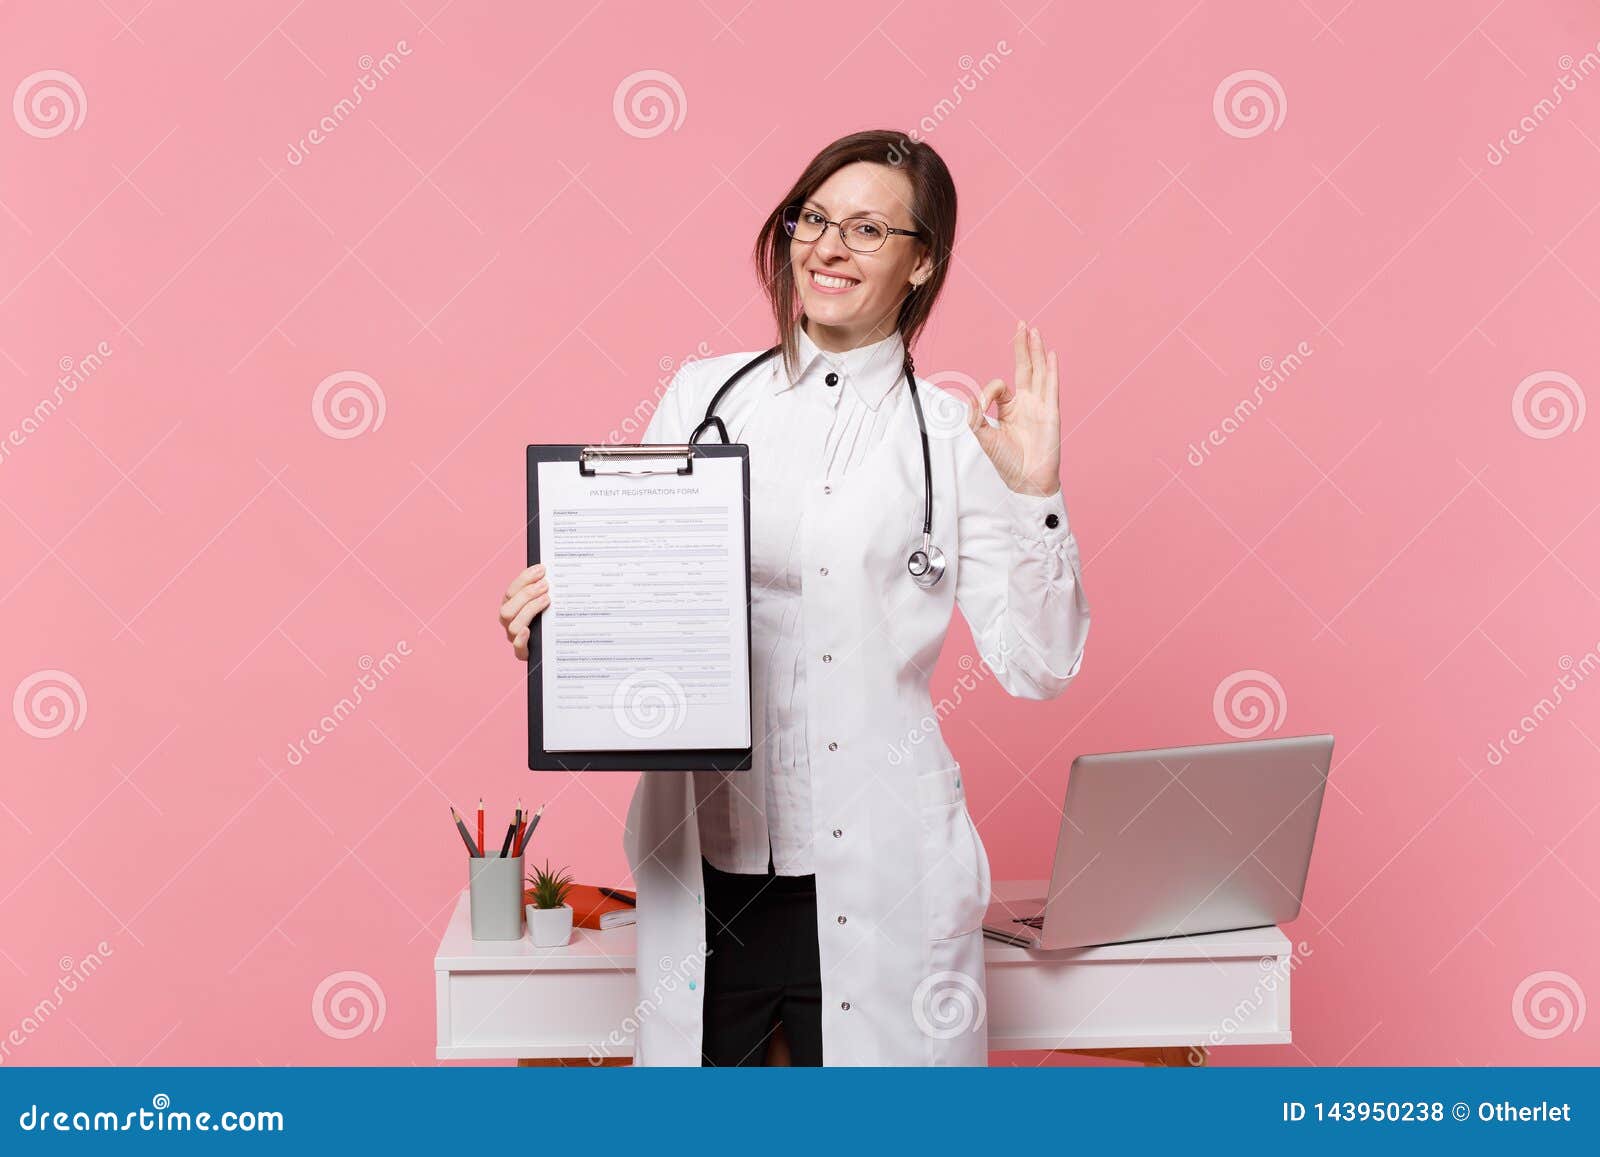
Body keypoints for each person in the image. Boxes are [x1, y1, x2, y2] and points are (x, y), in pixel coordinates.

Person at [497, 129, 1090, 1065]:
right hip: (710, 869)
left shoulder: (952, 430)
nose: (827, 247)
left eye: (866, 228)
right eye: (812, 218)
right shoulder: (705, 397)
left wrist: (1036, 495)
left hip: (883, 869)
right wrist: (565, 633)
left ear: (923, 259)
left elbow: (1040, 663)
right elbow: (646, 597)